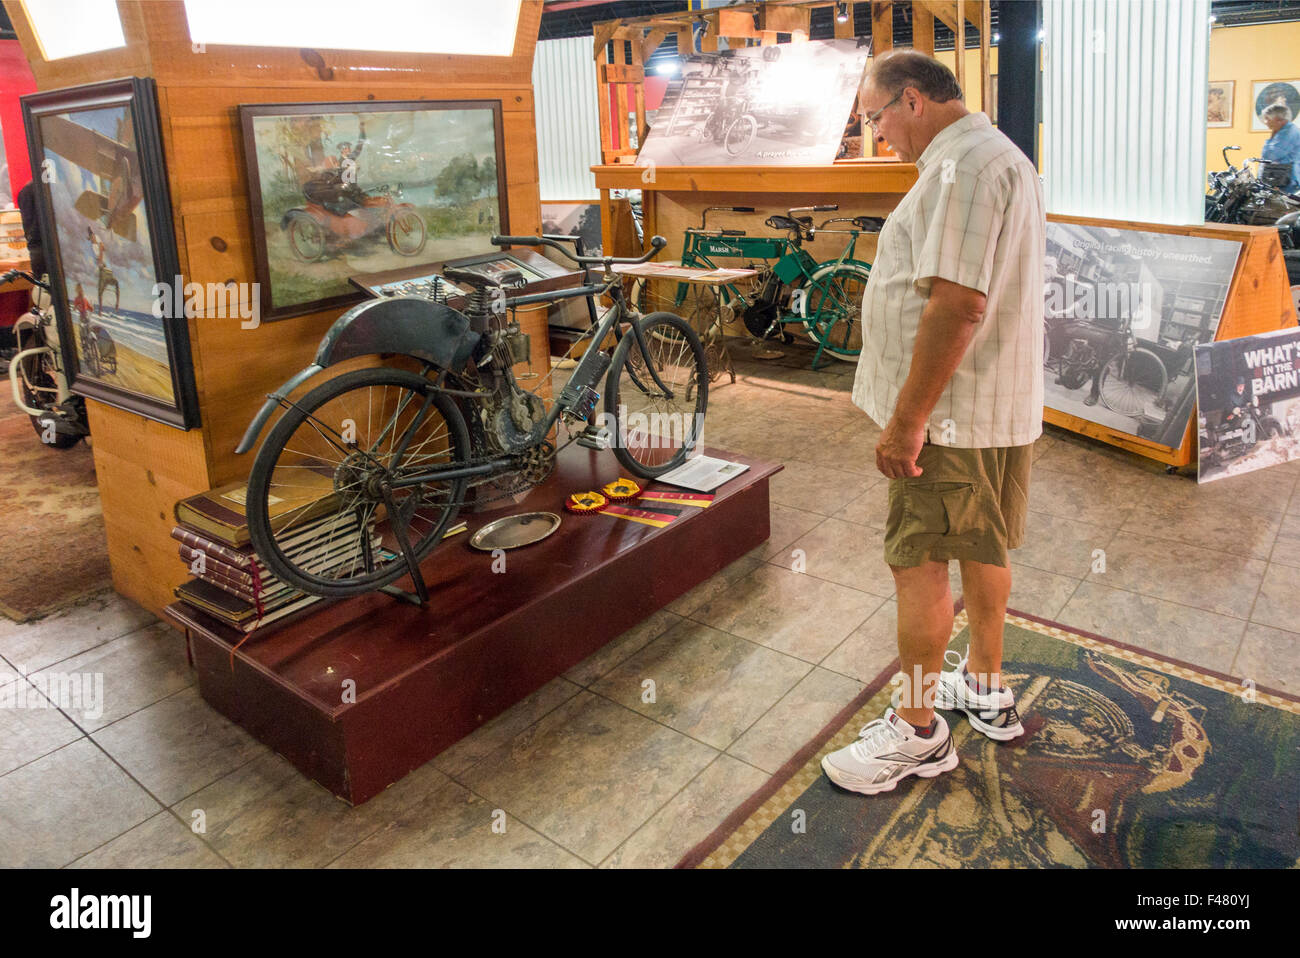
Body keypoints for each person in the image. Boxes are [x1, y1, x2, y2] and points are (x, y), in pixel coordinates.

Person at [821, 50, 1045, 795]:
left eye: (874, 117)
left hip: (949, 419)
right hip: (984, 409)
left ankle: (917, 733)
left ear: (912, 100)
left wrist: (906, 421)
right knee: (981, 541)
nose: (875, 133)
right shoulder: (984, 155)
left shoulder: (963, 168)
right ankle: (983, 679)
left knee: (916, 561)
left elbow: (958, 305)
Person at [1261, 102, 1300, 195]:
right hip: (1280, 179)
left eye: (1267, 119)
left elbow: (1270, 155)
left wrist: (1270, 139)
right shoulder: (1283, 131)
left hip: (1286, 181)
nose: (1266, 122)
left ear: (1278, 119)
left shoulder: (1288, 132)